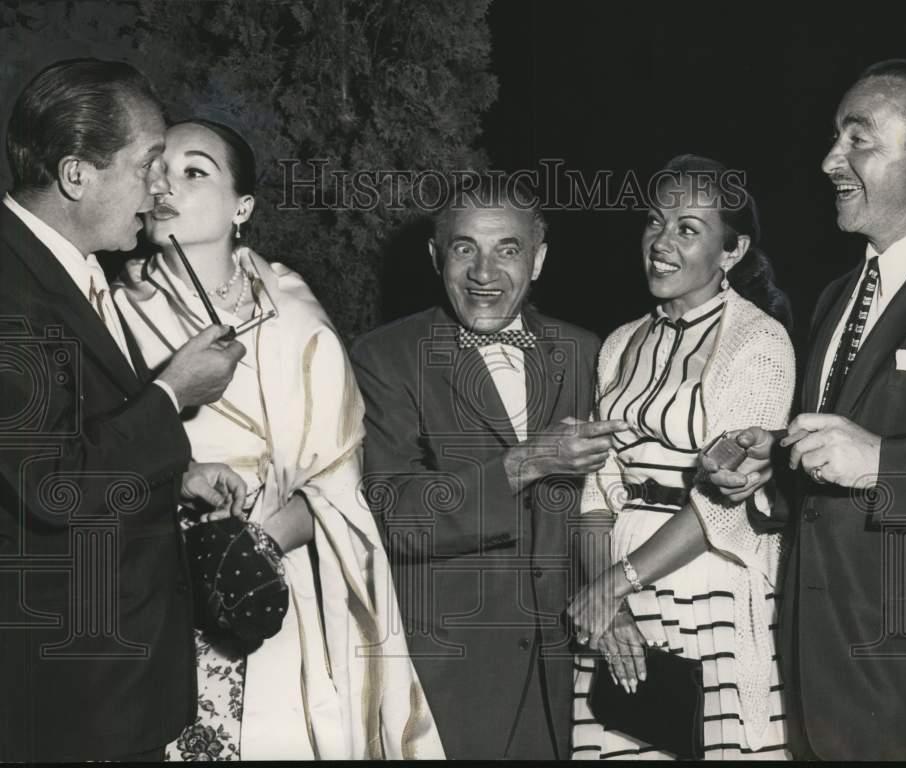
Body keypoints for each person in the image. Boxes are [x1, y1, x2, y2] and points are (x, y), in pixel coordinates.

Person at [112, 119, 443, 760]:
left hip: (266, 579)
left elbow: (336, 485)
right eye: (157, 168)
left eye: (193, 171)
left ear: (244, 206)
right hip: (146, 582)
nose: (164, 184)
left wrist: (250, 547)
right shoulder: (111, 306)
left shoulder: (294, 314)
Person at [706, 60, 906, 760]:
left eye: (857, 139)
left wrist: (884, 465)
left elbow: (877, 454)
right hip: (817, 675)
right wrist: (772, 459)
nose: (829, 159)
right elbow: (845, 445)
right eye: (836, 138)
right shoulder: (836, 295)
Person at [0, 59, 247, 762]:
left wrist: (178, 473)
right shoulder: (10, 294)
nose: (161, 191)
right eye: (148, 166)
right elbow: (55, 483)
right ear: (77, 176)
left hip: (115, 683)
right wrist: (173, 395)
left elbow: (73, 433)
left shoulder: (69, 268)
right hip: (65, 696)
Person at [350, 175, 620, 759]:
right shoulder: (383, 357)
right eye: (465, 247)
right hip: (447, 684)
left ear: (539, 260)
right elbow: (396, 515)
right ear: (436, 256)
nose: (484, 272)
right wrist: (527, 461)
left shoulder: (588, 353)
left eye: (508, 249)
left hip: (565, 681)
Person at [568, 155, 796, 759]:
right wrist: (605, 600)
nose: (661, 243)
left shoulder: (759, 341)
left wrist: (617, 581)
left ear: (733, 250)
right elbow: (597, 494)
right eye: (655, 222)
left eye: (688, 229)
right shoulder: (619, 342)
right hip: (618, 590)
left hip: (707, 579)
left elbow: (724, 506)